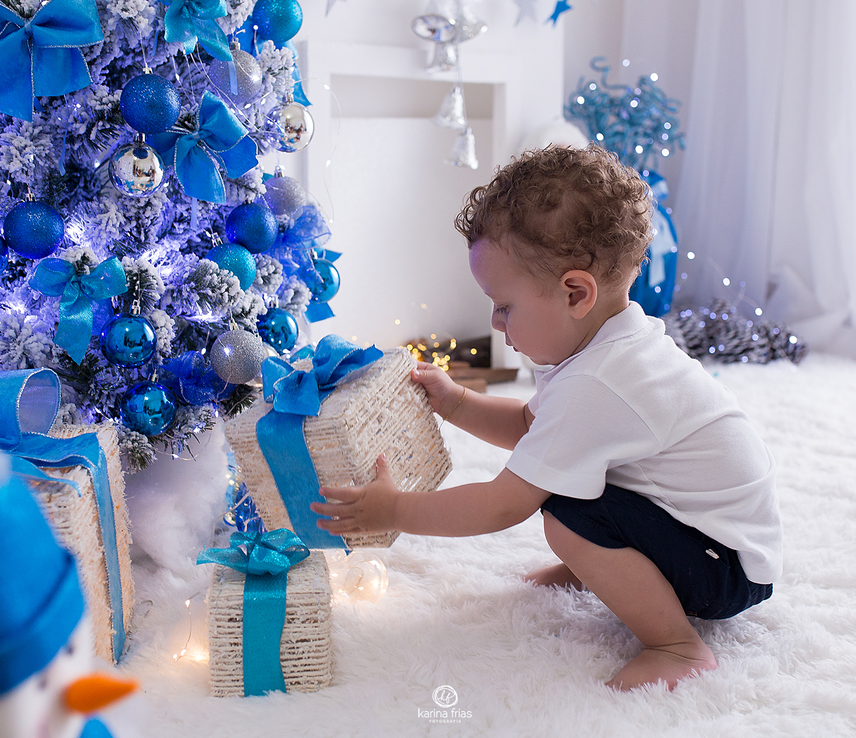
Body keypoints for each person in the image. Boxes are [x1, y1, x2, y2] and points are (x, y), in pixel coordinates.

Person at [311, 145, 783, 691]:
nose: (494, 320)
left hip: (723, 568)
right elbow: (533, 429)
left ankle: (677, 646)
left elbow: (500, 505)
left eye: (505, 305)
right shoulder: (602, 345)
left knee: (566, 514)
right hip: (716, 537)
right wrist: (456, 402)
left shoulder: (598, 382)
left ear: (575, 293)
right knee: (573, 491)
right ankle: (608, 565)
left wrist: (395, 509)